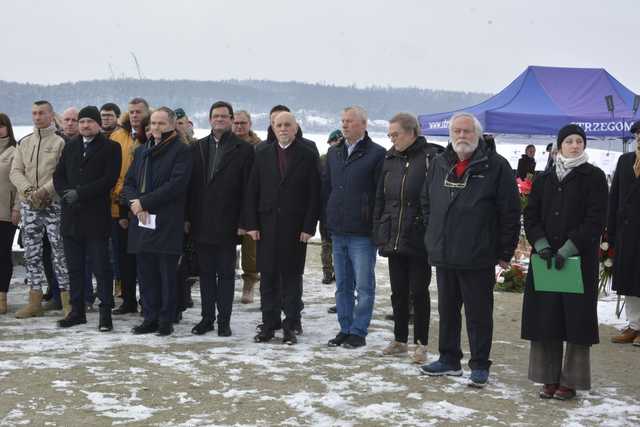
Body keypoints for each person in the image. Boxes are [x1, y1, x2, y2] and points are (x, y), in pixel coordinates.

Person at [419, 112, 520, 387]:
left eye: (467, 131)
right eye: (457, 132)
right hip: (445, 252)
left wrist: (504, 251)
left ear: (477, 134)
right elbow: (426, 201)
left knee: (478, 314)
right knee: (448, 311)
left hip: (478, 254)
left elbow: (510, 212)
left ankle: (479, 364)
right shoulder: (440, 163)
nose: (462, 136)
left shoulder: (496, 166)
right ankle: (449, 359)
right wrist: (433, 233)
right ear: (450, 135)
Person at [522, 124, 608, 400]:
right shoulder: (544, 178)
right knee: (546, 317)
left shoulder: (593, 177)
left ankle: (570, 380)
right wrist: (542, 245)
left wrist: (569, 248)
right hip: (546, 260)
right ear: (559, 146)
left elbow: (596, 219)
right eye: (569, 141)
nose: (575, 145)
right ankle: (547, 377)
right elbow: (531, 216)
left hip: (577, 262)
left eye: (579, 141)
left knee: (575, 321)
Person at [374, 113, 443, 364]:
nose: (392, 139)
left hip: (418, 236)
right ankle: (400, 339)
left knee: (418, 292)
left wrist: (430, 230)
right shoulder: (389, 158)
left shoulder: (430, 158)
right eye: (390, 135)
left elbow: (435, 198)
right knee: (398, 291)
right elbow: (380, 198)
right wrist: (379, 229)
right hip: (393, 232)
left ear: (412, 132)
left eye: (396, 134)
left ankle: (421, 344)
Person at [246, 112, 320, 345]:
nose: (283, 128)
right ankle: (269, 325)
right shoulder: (262, 153)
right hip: (266, 227)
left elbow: (314, 195)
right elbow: (252, 190)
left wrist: (309, 226)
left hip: (295, 228)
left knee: (291, 279)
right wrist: (252, 224)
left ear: (296, 128)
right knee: (267, 278)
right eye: (279, 125)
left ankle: (290, 325)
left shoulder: (307, 155)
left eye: (288, 125)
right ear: (273, 128)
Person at [123, 107, 192, 336]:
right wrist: (134, 203)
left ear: (172, 125)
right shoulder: (142, 151)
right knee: (146, 273)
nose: (156, 127)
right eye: (153, 123)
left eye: (161, 123)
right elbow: (129, 182)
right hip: (142, 221)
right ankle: (149, 317)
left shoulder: (181, 150)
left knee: (166, 274)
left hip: (166, 221)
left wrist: (144, 203)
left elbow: (175, 185)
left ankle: (166, 319)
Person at [187, 101, 254, 336]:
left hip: (229, 222)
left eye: (224, 116)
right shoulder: (197, 147)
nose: (219, 120)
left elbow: (248, 189)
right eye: (216, 116)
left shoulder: (244, 150)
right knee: (205, 274)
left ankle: (224, 321)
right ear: (209, 119)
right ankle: (207, 318)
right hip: (202, 220)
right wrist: (188, 218)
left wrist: (244, 223)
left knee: (226, 275)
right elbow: (190, 187)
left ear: (231, 120)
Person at [53, 106, 121, 331]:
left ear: (98, 124)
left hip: (95, 218)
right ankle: (77, 311)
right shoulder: (70, 146)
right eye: (81, 122)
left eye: (89, 121)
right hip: (71, 218)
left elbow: (109, 179)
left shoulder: (111, 147)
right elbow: (58, 175)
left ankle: (105, 314)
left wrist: (80, 193)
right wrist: (65, 193)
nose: (84, 125)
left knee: (101, 268)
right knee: (75, 267)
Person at [325, 106, 386, 349]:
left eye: (349, 121)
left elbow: (380, 194)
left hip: (362, 233)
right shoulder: (334, 153)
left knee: (364, 285)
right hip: (338, 230)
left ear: (363, 124)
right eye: (342, 121)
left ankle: (359, 331)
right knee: (342, 286)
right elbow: (326, 188)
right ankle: (345, 327)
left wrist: (375, 226)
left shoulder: (377, 154)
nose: (345, 125)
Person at [10, 100, 71, 319]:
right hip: (30, 206)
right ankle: (34, 300)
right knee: (32, 253)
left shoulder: (61, 142)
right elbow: (16, 171)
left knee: (60, 253)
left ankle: (67, 301)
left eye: (41, 113)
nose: (37, 117)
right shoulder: (24, 142)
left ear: (51, 115)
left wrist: (44, 192)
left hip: (53, 204)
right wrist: (28, 192)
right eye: (34, 113)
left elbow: (62, 173)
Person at [110, 98, 150, 315]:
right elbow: (114, 170)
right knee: (123, 257)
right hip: (119, 205)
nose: (135, 115)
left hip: (144, 208)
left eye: (139, 112)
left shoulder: (151, 136)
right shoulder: (118, 135)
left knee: (143, 258)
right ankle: (127, 300)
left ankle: (147, 300)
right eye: (132, 111)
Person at [608, 120, 640, 347]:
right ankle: (634, 326)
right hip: (627, 233)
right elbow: (614, 197)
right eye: (638, 134)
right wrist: (610, 232)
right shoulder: (625, 160)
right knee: (629, 281)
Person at [232, 110, 262, 303]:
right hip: (230, 204)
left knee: (251, 250)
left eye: (243, 123)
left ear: (250, 124)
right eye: (236, 123)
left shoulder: (259, 147)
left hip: (252, 203)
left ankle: (249, 283)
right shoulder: (226, 145)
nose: (239, 126)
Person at [0, 113, 20, 314]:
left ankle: (2, 296)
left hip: (6, 213)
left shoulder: (14, 151)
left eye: (1, 126)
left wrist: (17, 207)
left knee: (3, 255)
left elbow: (19, 182)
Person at [320, 130, 342, 287]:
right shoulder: (326, 159)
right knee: (327, 244)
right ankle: (328, 273)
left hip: (329, 209)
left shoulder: (324, 158)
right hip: (327, 208)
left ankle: (330, 273)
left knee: (329, 244)